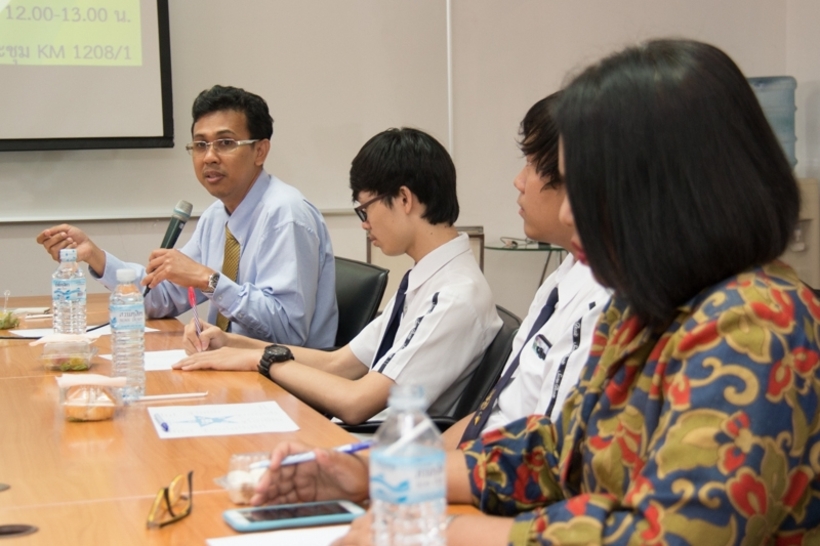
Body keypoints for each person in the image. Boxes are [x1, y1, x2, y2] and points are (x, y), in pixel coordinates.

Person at [251, 39, 820, 545]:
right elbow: (557, 450)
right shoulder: (646, 306)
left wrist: (442, 532)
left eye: (585, 187)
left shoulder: (756, 324)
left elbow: (672, 534)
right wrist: (373, 474)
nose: (569, 213)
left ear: (670, 189)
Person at [173, 128, 502, 425]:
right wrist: (232, 342)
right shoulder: (428, 277)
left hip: (380, 447)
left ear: (404, 199)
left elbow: (356, 403)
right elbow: (339, 363)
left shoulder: (454, 298)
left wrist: (260, 359)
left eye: (365, 208)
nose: (364, 223)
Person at [35, 85, 338, 348]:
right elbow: (161, 298)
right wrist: (96, 256)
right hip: (230, 366)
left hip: (285, 381)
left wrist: (208, 280)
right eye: (200, 145)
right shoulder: (216, 217)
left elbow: (287, 332)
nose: (209, 156)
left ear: (260, 151)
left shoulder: (286, 215)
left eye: (225, 143)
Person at [441, 92, 609, 450]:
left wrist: (404, 469)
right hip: (480, 462)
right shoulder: (561, 279)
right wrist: (406, 462)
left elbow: (544, 458)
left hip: (500, 474)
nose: (519, 181)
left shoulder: (602, 300)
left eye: (533, 164)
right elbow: (494, 412)